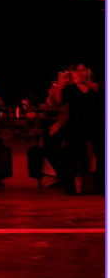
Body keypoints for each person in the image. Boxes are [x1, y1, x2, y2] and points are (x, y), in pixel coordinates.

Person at [58, 63, 104, 195]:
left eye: (83, 69)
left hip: (95, 125)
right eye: (77, 70)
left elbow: (99, 92)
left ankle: (101, 185)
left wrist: (84, 81)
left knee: (102, 154)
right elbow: (59, 101)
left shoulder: (96, 86)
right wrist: (60, 84)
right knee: (71, 156)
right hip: (76, 125)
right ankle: (70, 186)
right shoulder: (70, 89)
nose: (79, 72)